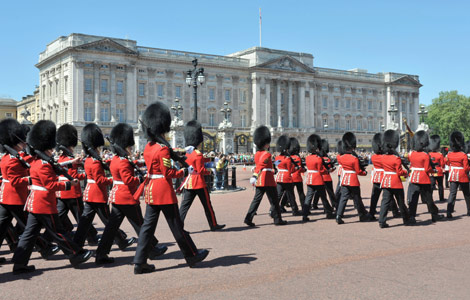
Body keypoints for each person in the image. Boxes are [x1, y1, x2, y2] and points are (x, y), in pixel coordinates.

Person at [133, 101, 209, 274]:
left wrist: (181, 154)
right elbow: (168, 173)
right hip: (163, 191)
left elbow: (163, 160)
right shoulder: (162, 149)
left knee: (147, 227)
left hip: (151, 190)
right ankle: (191, 254)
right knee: (176, 226)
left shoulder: (149, 147)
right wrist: (184, 171)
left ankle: (139, 261)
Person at [12, 120, 92, 274]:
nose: (52, 151)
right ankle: (76, 254)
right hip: (43, 204)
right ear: (46, 148)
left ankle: (19, 264)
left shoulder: (38, 162)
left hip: (36, 203)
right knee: (59, 232)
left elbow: (54, 168)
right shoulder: (42, 164)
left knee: (29, 235)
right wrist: (70, 184)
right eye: (50, 149)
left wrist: (69, 163)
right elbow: (51, 185)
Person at [95, 123, 165, 265]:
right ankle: (151, 250)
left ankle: (101, 253)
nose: (131, 149)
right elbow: (128, 180)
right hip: (127, 197)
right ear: (125, 146)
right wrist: (140, 178)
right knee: (141, 225)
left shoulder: (116, 160)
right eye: (129, 147)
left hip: (117, 197)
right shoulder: (123, 162)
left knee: (111, 228)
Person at [0, 119, 59, 264]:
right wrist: (32, 179)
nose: (24, 144)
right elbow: (16, 181)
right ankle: (43, 247)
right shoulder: (12, 159)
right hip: (15, 198)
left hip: (6, 197)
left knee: (2, 228)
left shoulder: (11, 157)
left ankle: (41, 248)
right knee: (29, 228)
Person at [73, 124, 132, 249]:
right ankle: (121, 241)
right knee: (110, 222)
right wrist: (112, 179)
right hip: (98, 195)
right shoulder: (94, 162)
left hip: (89, 194)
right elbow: (100, 180)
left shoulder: (89, 159)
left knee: (84, 223)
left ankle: (76, 244)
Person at [56, 124, 99, 245]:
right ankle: (91, 236)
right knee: (81, 218)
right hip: (72, 192)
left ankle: (89, 235)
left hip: (62, 193)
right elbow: (73, 175)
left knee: (59, 216)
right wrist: (85, 175)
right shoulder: (70, 159)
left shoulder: (61, 158)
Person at [179, 120, 225, 231]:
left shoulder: (188, 153)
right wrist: (211, 171)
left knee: (184, 207)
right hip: (199, 183)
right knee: (207, 206)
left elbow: (199, 160)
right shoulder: (198, 153)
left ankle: (178, 227)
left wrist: (212, 158)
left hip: (189, 183)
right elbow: (201, 169)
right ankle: (213, 225)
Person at [244, 125, 287, 227]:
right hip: (267, 179)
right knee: (275, 201)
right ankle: (278, 219)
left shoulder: (257, 154)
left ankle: (248, 218)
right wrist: (254, 175)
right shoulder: (267, 154)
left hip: (260, 180)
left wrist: (274, 165)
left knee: (256, 200)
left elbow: (264, 164)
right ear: (266, 144)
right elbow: (262, 165)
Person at [406, 131, 443, 223]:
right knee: (429, 199)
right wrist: (434, 170)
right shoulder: (425, 155)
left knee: (414, 199)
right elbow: (427, 169)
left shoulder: (411, 154)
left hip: (414, 177)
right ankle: (434, 215)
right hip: (423, 179)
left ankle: (411, 216)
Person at [378, 130, 411, 228]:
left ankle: (382, 221)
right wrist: (407, 173)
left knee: (385, 202)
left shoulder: (382, 158)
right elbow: (400, 172)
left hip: (386, 181)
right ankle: (406, 219)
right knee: (400, 202)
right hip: (395, 182)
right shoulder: (396, 158)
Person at [335, 132, 370, 224]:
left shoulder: (341, 158)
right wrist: (364, 172)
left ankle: (339, 215)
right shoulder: (354, 158)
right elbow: (358, 171)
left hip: (344, 179)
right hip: (353, 180)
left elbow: (339, 157)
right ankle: (361, 215)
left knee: (343, 198)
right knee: (357, 198)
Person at [367, 133, 400, 220]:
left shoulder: (374, 157)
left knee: (374, 196)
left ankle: (371, 212)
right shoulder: (383, 157)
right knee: (389, 197)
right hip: (384, 177)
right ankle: (395, 212)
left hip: (376, 177)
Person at [303, 134, 335, 222]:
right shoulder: (318, 158)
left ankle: (304, 215)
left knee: (308, 197)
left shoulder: (307, 158)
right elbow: (321, 170)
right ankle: (329, 212)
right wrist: (328, 171)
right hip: (317, 180)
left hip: (310, 179)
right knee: (323, 197)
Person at [445, 131, 470, 218]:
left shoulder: (449, 155)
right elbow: (466, 168)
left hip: (453, 175)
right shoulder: (463, 155)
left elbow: (447, 163)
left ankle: (449, 211)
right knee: (467, 194)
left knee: (452, 194)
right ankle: (469, 211)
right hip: (462, 175)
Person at [276, 135, 300, 216]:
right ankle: (295, 210)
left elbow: (275, 165)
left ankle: (272, 210)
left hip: (279, 178)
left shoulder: (277, 158)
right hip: (287, 178)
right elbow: (290, 170)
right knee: (291, 195)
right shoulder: (287, 159)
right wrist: (296, 168)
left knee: (278, 195)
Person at [312, 139, 337, 210]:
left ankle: (314, 204)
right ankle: (334, 204)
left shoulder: (316, 158)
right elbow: (330, 168)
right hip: (326, 177)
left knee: (318, 192)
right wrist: (332, 169)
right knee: (330, 192)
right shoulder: (327, 159)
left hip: (319, 178)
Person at [288, 138, 306, 210]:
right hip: (297, 177)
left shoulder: (287, 158)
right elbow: (300, 168)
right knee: (301, 193)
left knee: (290, 194)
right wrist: (304, 170)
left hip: (289, 178)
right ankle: (304, 207)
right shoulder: (297, 158)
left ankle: (289, 207)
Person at [428, 135, 445, 202]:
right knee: (440, 185)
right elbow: (442, 164)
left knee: (431, 186)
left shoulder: (429, 154)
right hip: (439, 171)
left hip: (431, 171)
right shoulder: (440, 154)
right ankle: (441, 198)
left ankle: (430, 198)